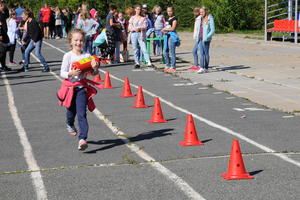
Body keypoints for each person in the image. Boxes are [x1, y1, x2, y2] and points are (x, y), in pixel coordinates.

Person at [59, 29, 99, 151]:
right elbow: (62, 72)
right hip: (70, 89)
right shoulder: (68, 56)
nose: (78, 43)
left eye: (81, 40)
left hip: (82, 88)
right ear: (71, 41)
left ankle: (82, 139)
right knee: (71, 112)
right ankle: (69, 123)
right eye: (76, 40)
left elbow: (94, 72)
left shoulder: (87, 56)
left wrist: (95, 67)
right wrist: (70, 73)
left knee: (82, 114)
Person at [129, 4, 153, 69]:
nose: (138, 10)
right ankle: (137, 62)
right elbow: (130, 27)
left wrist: (139, 28)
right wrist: (134, 29)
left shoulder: (143, 18)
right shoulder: (132, 18)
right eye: (137, 9)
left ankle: (148, 62)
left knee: (144, 48)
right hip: (134, 34)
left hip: (141, 34)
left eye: (139, 9)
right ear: (135, 9)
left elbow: (145, 26)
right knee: (135, 49)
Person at [195, 6, 215, 74]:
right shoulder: (199, 18)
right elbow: (197, 28)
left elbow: (212, 30)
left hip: (206, 39)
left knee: (206, 53)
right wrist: (196, 36)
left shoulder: (210, 18)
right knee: (201, 53)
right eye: (200, 12)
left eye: (202, 12)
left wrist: (207, 37)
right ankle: (201, 67)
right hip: (199, 38)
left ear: (205, 11)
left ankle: (206, 68)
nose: (201, 13)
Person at [162, 6, 180, 72]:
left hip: (172, 36)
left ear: (173, 11)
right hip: (166, 36)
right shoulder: (167, 18)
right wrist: (164, 31)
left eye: (170, 11)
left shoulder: (174, 19)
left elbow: (173, 28)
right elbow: (166, 26)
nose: (169, 12)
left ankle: (173, 66)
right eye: (168, 11)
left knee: (172, 52)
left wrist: (165, 29)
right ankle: (167, 65)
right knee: (165, 51)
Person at [189, 7, 201, 71]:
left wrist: (197, 36)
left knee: (195, 51)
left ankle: (198, 65)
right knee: (195, 51)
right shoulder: (197, 18)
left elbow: (199, 29)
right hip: (197, 38)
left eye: (196, 11)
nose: (195, 12)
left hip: (199, 38)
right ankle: (196, 65)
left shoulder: (199, 19)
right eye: (194, 11)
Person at [0, 1, 10, 72]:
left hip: (4, 33)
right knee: (2, 51)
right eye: (3, 6)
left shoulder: (3, 12)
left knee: (4, 50)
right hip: (1, 35)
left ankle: (3, 66)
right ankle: (2, 66)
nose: (4, 7)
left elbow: (7, 16)